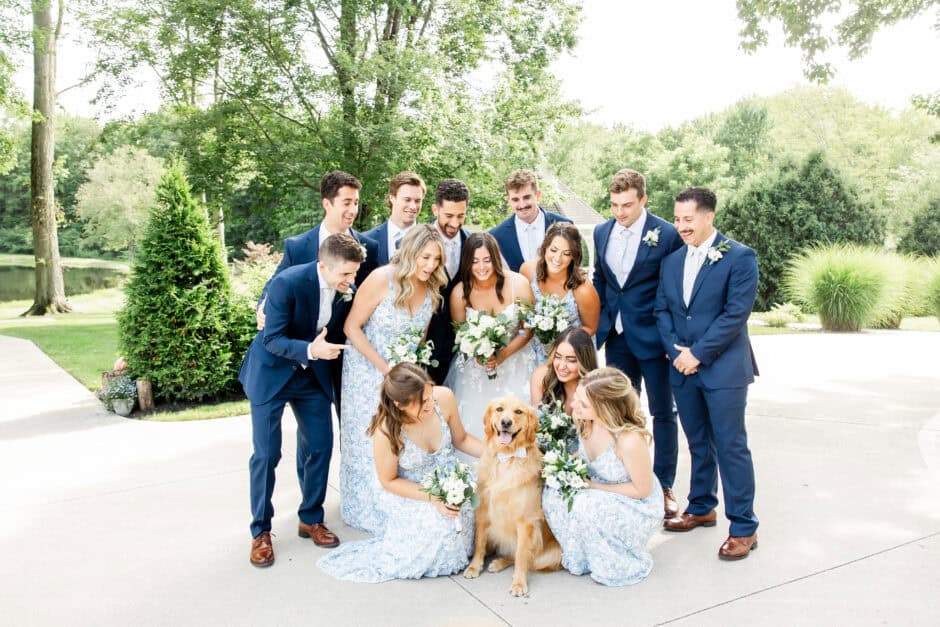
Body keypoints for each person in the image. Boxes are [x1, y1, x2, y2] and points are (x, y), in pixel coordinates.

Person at [239, 234, 364, 567]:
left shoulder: (343, 289)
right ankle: (260, 532)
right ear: (323, 266)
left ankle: (310, 517)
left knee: (321, 445)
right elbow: (273, 338)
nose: (350, 281)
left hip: (311, 377)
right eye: (346, 275)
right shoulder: (286, 284)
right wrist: (311, 350)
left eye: (353, 274)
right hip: (271, 374)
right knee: (266, 455)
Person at [655, 187, 760, 561]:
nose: (681, 226)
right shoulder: (671, 261)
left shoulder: (740, 257)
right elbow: (663, 311)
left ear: (708, 217)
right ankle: (701, 506)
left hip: (724, 369)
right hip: (682, 368)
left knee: (731, 445)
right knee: (698, 441)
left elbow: (736, 314)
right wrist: (676, 353)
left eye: (688, 219)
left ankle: (744, 526)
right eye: (678, 219)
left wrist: (697, 354)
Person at [318, 364, 483, 582]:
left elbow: (461, 439)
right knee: (439, 526)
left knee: (474, 506)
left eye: (429, 395)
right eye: (422, 402)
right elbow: (389, 480)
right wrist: (434, 496)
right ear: (399, 404)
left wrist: (498, 453)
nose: (430, 404)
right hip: (411, 490)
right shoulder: (387, 430)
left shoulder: (444, 398)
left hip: (450, 479)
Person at [339, 224, 447, 533]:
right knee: (369, 437)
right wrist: (384, 367)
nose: (429, 266)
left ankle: (395, 498)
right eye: (425, 257)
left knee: (398, 439)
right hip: (367, 372)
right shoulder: (380, 278)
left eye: (436, 260)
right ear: (411, 253)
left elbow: (420, 339)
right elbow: (351, 327)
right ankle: (364, 508)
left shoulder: (431, 289)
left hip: (402, 379)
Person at [592, 169, 683, 519]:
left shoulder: (667, 234)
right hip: (617, 338)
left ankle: (664, 486)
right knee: (620, 412)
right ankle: (628, 479)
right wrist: (599, 327)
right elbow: (602, 280)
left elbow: (673, 288)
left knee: (662, 413)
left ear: (644, 200)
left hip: (655, 338)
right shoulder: (601, 232)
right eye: (614, 205)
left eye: (627, 205)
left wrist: (670, 339)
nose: (619, 212)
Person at [542, 368, 664, 586]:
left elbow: (642, 491)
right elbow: (584, 457)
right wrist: (560, 468)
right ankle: (582, 554)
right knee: (554, 491)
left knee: (583, 504)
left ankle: (612, 559)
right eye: (577, 399)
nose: (574, 406)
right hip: (598, 489)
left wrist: (593, 487)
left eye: (583, 404)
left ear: (604, 409)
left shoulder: (628, 440)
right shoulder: (585, 421)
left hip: (635, 504)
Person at [444, 232, 538, 457]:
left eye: (487, 260)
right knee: (476, 424)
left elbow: (528, 328)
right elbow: (461, 335)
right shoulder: (460, 294)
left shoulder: (518, 284)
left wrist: (504, 354)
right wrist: (477, 354)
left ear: (496, 259)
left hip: (517, 363)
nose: (482, 267)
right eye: (475, 261)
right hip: (477, 372)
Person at [256, 171, 378, 329]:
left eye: (356, 203)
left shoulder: (370, 246)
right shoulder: (298, 246)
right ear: (327, 204)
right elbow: (277, 282)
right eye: (346, 203)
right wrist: (262, 308)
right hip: (299, 339)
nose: (353, 210)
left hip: (341, 341)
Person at [520, 222, 600, 361]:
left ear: (574, 256)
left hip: (571, 354)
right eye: (553, 250)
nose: (557, 258)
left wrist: (560, 347)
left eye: (566, 253)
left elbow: (590, 328)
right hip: (535, 351)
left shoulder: (583, 290)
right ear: (545, 248)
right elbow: (523, 314)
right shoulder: (527, 271)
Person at [426, 179, 471, 385]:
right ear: (436, 209)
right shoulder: (417, 241)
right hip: (426, 342)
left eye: (460, 216)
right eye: (449, 216)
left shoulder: (473, 242)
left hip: (462, 346)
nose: (454, 223)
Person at [489, 169, 572, 272]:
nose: (522, 204)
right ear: (508, 200)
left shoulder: (565, 225)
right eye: (515, 199)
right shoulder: (496, 236)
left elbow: (574, 268)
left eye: (527, 197)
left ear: (538, 195)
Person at [529, 327, 599, 416]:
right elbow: (537, 421)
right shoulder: (541, 375)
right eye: (558, 357)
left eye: (571, 360)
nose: (561, 366)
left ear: (584, 361)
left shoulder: (595, 389)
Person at [364, 171, 427, 265]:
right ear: (392, 198)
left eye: (418, 201)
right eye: (407, 200)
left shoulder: (430, 240)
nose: (413, 206)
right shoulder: (366, 240)